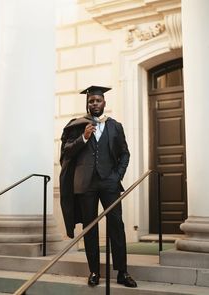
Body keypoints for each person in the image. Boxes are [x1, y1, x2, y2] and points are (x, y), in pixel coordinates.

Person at [59, 85, 137, 288]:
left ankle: (122, 272)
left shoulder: (115, 126)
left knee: (117, 226)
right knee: (90, 228)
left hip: (109, 183)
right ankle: (94, 271)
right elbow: (67, 152)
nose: (94, 104)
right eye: (91, 101)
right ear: (88, 103)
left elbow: (124, 154)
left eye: (98, 100)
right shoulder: (76, 125)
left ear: (104, 103)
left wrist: (117, 176)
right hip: (85, 184)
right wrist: (83, 137)